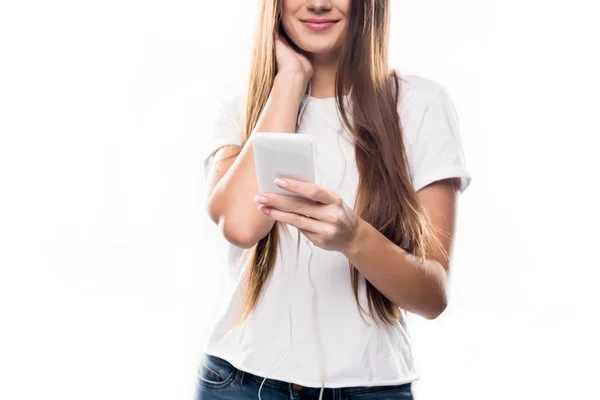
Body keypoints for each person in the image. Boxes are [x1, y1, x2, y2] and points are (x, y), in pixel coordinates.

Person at [197, 0, 472, 399]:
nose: (319, 3)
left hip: (369, 388)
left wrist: (352, 238)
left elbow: (433, 297)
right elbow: (241, 225)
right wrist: (290, 79)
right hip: (239, 382)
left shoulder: (420, 104)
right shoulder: (242, 110)